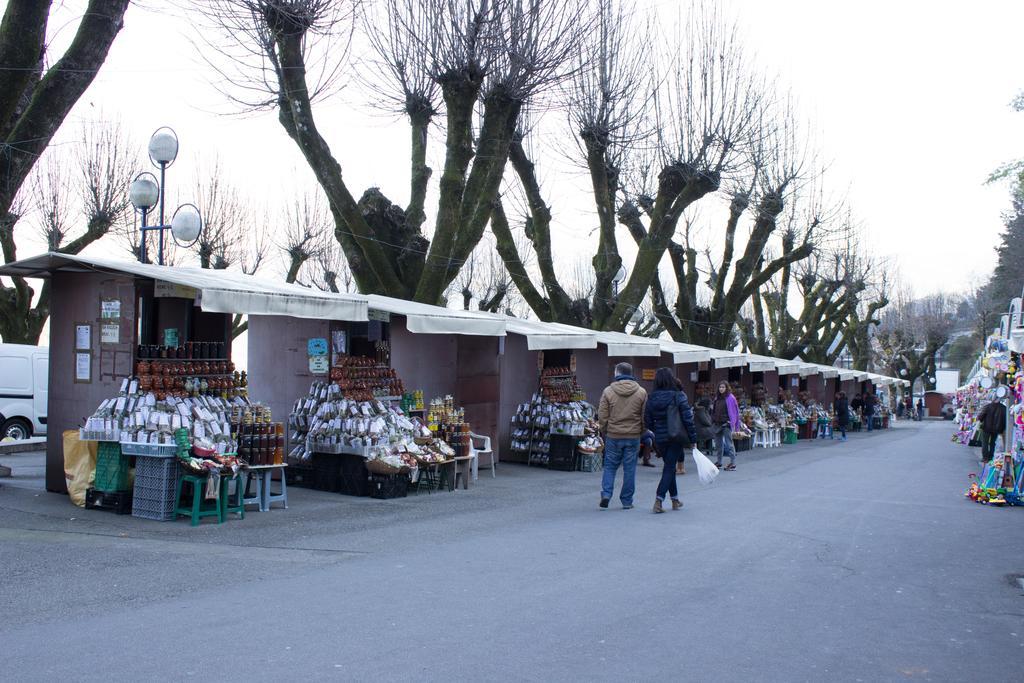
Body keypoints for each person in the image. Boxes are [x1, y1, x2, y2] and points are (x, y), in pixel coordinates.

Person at [643, 368, 698, 513]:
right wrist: (693, 439)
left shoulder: (651, 397)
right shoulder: (678, 396)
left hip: (660, 438)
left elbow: (647, 421)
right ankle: (658, 500)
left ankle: (675, 500)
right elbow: (688, 419)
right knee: (669, 468)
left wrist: (656, 430)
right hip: (676, 436)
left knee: (669, 466)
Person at [598, 362, 648, 510]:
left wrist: (605, 429)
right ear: (631, 373)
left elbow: (602, 414)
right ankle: (627, 501)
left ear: (617, 373)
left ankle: (606, 494)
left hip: (614, 435)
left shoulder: (608, 391)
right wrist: (642, 430)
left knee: (610, 466)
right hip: (633, 436)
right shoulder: (641, 392)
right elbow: (645, 415)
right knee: (630, 468)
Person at [711, 380, 742, 471]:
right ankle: (719, 462)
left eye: (723, 387)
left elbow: (736, 412)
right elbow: (714, 410)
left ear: (727, 388)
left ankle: (733, 463)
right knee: (718, 445)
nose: (721, 389)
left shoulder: (730, 398)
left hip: (726, 424)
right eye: (720, 387)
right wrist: (712, 419)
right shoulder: (717, 398)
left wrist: (735, 425)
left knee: (729, 445)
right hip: (717, 424)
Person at [977, 399, 1007, 463]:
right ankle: (991, 457)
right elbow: (1005, 420)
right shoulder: (1003, 408)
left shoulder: (988, 406)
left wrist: (980, 419)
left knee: (985, 442)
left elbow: (980, 417)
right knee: (993, 443)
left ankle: (985, 458)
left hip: (986, 427)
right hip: (997, 429)